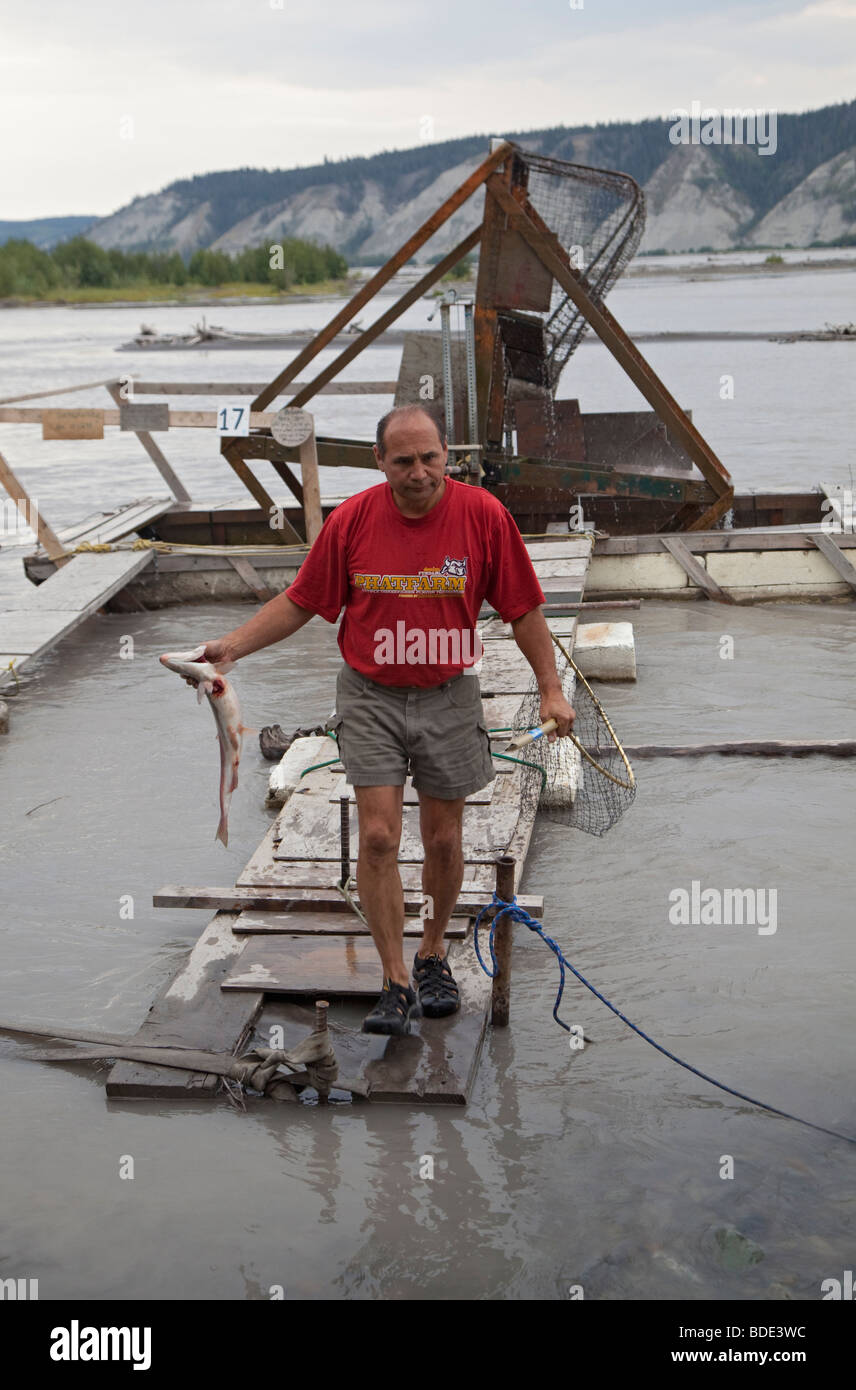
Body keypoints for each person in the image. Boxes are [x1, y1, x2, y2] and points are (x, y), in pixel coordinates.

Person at [195, 402, 575, 1035]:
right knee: (377, 836)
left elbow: (524, 609)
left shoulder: (483, 516)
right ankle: (394, 977)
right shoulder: (352, 521)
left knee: (444, 839)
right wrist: (231, 648)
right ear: (380, 461)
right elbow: (302, 601)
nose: (419, 472)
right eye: (404, 461)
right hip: (369, 695)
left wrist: (550, 689)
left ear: (447, 456)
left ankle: (432, 955)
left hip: (449, 692)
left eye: (430, 458)